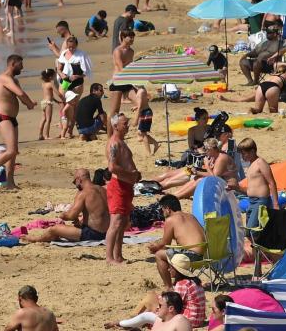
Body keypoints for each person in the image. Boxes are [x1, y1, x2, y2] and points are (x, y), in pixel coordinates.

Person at [0, 55, 36, 189]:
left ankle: (10, 182)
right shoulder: (4, 78)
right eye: (20, 64)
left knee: (14, 152)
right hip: (3, 118)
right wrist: (29, 102)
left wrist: (29, 104)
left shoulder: (14, 80)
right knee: (11, 151)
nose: (22, 67)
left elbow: (21, 97)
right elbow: (20, 93)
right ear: (13, 63)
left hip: (12, 119)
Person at [22, 168, 110, 243]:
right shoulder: (102, 189)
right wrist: (81, 222)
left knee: (54, 229)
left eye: (74, 182)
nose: (75, 185)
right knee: (72, 228)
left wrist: (62, 215)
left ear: (79, 180)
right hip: (107, 232)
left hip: (93, 234)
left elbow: (71, 216)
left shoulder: (84, 193)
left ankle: (36, 239)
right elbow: (99, 213)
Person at [147, 194, 208, 289]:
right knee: (171, 252)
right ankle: (178, 281)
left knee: (159, 255)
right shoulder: (191, 216)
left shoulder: (170, 220)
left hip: (190, 256)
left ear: (167, 208)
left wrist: (154, 247)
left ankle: (169, 287)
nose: (162, 213)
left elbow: (165, 244)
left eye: (162, 210)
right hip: (205, 255)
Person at [106, 113, 141, 264]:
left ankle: (118, 255)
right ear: (115, 126)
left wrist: (135, 175)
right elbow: (112, 167)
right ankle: (109, 257)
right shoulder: (114, 143)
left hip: (126, 185)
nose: (127, 126)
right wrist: (130, 173)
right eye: (124, 124)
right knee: (116, 222)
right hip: (118, 186)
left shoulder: (121, 142)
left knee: (123, 221)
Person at [232, 138, 279, 238]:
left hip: (261, 202)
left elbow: (272, 182)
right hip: (251, 201)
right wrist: (236, 187)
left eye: (244, 154)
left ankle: (261, 252)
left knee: (253, 231)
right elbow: (250, 190)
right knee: (249, 233)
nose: (242, 157)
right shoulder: (251, 165)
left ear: (252, 151)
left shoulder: (260, 162)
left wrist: (275, 204)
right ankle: (256, 252)